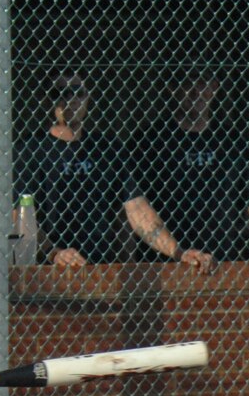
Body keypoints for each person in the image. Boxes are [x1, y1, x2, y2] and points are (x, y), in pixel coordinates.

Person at [19, 71, 212, 270]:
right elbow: (20, 216)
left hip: (101, 268)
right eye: (61, 93)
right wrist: (55, 253)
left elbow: (137, 208)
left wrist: (178, 252)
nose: (72, 100)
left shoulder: (107, 149)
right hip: (49, 272)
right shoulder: (31, 150)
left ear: (88, 96)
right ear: (46, 99)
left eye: (78, 92)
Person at [141, 71, 249, 262]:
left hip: (222, 263)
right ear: (172, 89)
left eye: (203, 83)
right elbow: (134, 210)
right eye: (188, 83)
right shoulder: (150, 144)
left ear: (214, 87)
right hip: (165, 265)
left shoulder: (234, 143)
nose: (196, 92)